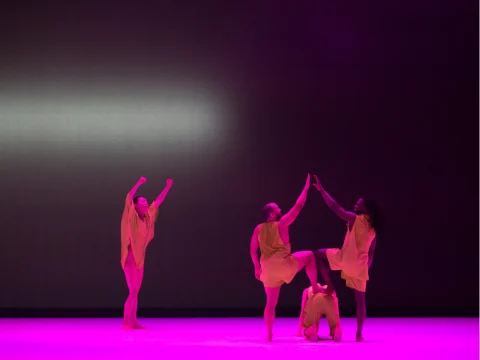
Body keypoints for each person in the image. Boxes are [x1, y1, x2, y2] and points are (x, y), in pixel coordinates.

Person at [250, 174, 324, 342]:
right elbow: (298, 206)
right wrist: (305, 189)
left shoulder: (258, 229)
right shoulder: (282, 223)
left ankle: (269, 334)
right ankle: (315, 286)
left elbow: (253, 250)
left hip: (267, 270)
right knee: (310, 256)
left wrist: (256, 267)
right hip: (283, 264)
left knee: (270, 304)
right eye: (277, 209)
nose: (280, 210)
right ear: (270, 215)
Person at [312, 175, 381, 342]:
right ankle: (359, 334)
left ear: (366, 209)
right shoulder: (373, 229)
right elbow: (371, 251)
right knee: (361, 302)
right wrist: (367, 267)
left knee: (319, 254)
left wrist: (322, 191)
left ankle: (330, 286)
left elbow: (336, 208)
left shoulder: (354, 219)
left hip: (344, 259)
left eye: (359, 203)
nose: (356, 204)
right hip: (360, 267)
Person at [120, 176, 173, 330]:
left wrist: (167, 187)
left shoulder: (148, 217)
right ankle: (126, 323)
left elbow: (157, 202)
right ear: (135, 206)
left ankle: (133, 321)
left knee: (136, 292)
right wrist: (139, 182)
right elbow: (129, 197)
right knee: (133, 290)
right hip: (129, 257)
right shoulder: (132, 217)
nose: (145, 202)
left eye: (145, 201)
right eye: (141, 201)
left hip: (140, 259)